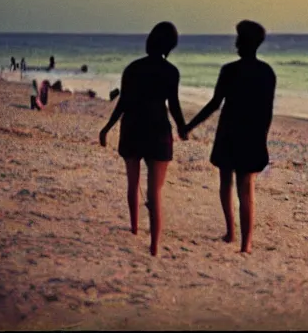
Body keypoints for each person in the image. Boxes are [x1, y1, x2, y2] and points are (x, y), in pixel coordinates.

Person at [185, 20, 276, 254]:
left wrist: (189, 126)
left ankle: (231, 233)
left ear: (244, 43)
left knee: (226, 182)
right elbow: (267, 111)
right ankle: (245, 244)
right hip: (252, 134)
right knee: (246, 189)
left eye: (238, 39)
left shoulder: (229, 70)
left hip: (229, 132)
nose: (235, 43)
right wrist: (262, 139)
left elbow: (214, 104)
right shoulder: (267, 72)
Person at [99, 22, 188, 256]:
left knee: (132, 184)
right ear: (170, 46)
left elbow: (123, 103)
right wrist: (182, 128)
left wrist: (107, 128)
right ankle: (154, 246)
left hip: (132, 128)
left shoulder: (132, 68)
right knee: (154, 193)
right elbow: (174, 105)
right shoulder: (171, 72)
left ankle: (135, 228)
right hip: (158, 130)